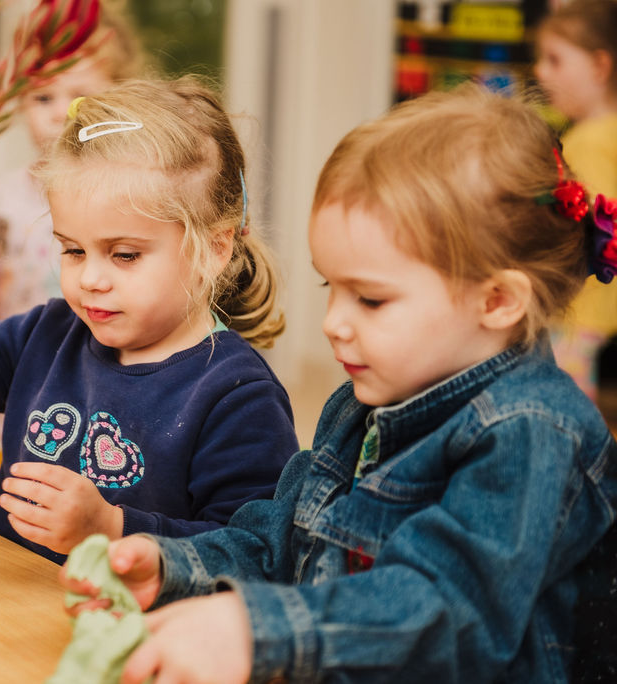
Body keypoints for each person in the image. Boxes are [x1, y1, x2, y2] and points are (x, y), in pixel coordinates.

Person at [61, 85, 617, 682]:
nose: (334, 324)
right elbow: (278, 545)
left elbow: (445, 614)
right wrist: (174, 567)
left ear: (498, 300)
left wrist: (256, 630)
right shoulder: (360, 405)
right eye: (333, 289)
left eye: (371, 299)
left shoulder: (531, 433)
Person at [0, 76, 299, 564]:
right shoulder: (49, 334)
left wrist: (114, 529)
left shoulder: (239, 395)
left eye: (123, 255)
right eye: (73, 249)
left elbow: (254, 554)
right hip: (14, 623)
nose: (90, 278)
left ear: (214, 249)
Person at [0, 0, 149, 522]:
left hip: (105, 391)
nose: (58, 111)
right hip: (21, 388)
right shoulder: (3, 197)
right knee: (8, 513)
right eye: (42, 96)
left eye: (80, 95)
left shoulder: (128, 196)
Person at [535, 0, 617, 400]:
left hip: (581, 312)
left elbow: (597, 227)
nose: (539, 71)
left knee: (566, 405)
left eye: (554, 60)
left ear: (599, 67)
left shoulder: (589, 141)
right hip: (595, 311)